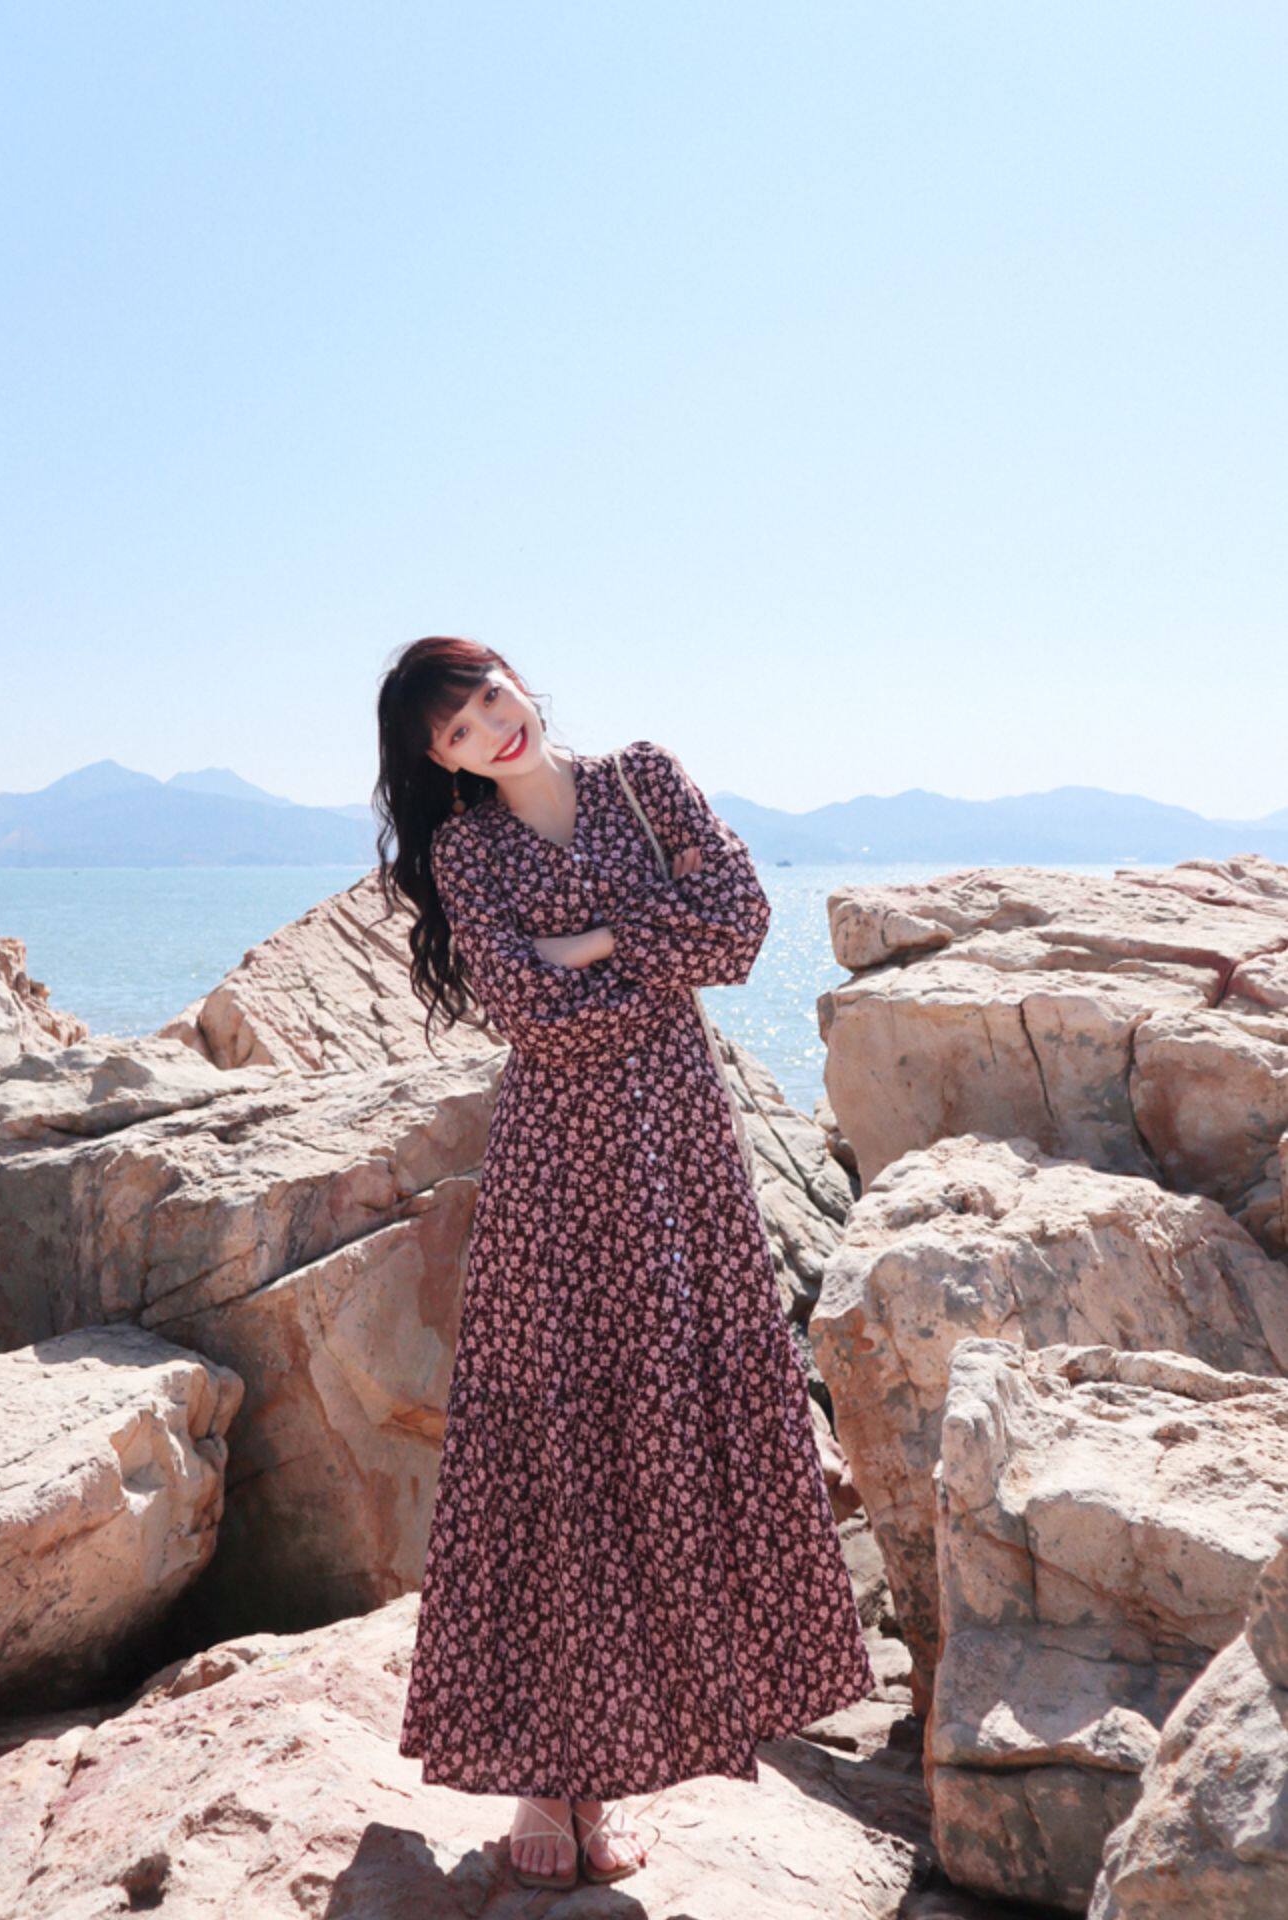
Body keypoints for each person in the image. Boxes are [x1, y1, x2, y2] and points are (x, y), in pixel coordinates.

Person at [375, 636, 875, 1891]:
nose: (490, 727)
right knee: (558, 1449)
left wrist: (589, 944)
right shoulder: (469, 853)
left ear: (518, 679)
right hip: (557, 1170)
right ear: (442, 763)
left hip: (680, 1156)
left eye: (489, 695)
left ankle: (622, 1762)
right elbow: (529, 1014)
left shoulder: (644, 780)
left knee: (667, 1432)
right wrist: (649, 945)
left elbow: (742, 930)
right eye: (455, 730)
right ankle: (548, 1777)